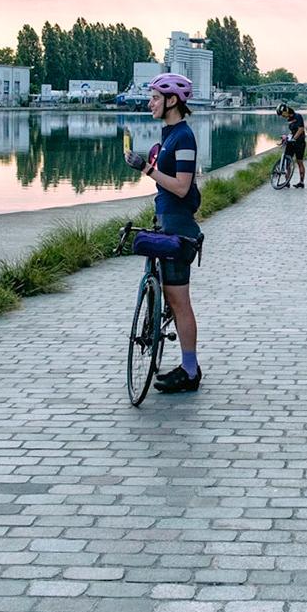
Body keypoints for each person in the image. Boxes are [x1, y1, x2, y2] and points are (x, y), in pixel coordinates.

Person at [125, 73, 204, 394]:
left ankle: (190, 370)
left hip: (178, 225)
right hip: (164, 218)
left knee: (180, 302)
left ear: (173, 101)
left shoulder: (183, 137)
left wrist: (145, 168)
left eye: (156, 97)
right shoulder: (169, 134)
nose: (150, 103)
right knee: (166, 295)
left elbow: (183, 188)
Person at [276, 102, 307, 188]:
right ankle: (287, 182)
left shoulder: (297, 116)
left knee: (299, 161)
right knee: (287, 161)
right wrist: (286, 139)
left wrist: (295, 138)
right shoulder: (289, 120)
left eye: (282, 114)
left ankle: (301, 182)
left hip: (299, 142)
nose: (283, 116)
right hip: (292, 142)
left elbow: (300, 129)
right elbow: (292, 131)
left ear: (286, 111)